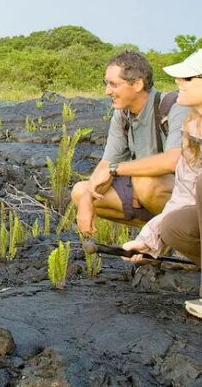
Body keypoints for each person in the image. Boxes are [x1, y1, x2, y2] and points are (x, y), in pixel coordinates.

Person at [121, 49, 202, 319]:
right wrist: (148, 239)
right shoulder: (193, 127)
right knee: (173, 226)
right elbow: (183, 192)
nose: (179, 81)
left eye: (187, 77)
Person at [73, 51, 187, 236]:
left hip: (189, 195)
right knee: (80, 191)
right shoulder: (122, 115)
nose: (107, 91)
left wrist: (116, 169)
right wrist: (86, 201)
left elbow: (173, 160)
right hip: (151, 194)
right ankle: (156, 237)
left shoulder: (174, 106)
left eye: (114, 84)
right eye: (106, 83)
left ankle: (182, 238)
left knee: (145, 184)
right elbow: (105, 164)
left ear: (137, 84)